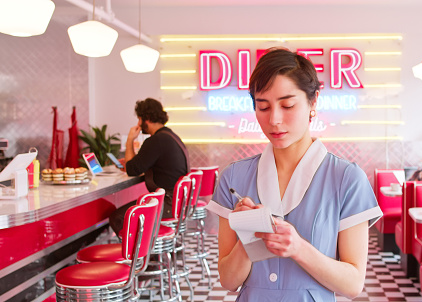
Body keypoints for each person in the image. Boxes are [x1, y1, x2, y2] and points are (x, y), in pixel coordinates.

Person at [205, 48, 382, 301]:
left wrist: (299, 248)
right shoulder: (233, 178)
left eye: (287, 105)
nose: (274, 119)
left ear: (313, 101)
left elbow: (353, 284)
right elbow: (229, 281)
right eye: (263, 107)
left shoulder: (347, 179)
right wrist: (249, 237)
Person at [108, 98, 189, 236]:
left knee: (118, 218)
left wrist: (130, 140)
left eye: (139, 119)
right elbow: (134, 165)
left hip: (167, 203)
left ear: (147, 118)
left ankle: (140, 256)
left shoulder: (155, 140)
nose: (138, 124)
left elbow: (132, 170)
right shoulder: (169, 136)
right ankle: (151, 253)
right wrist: (130, 163)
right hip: (177, 201)